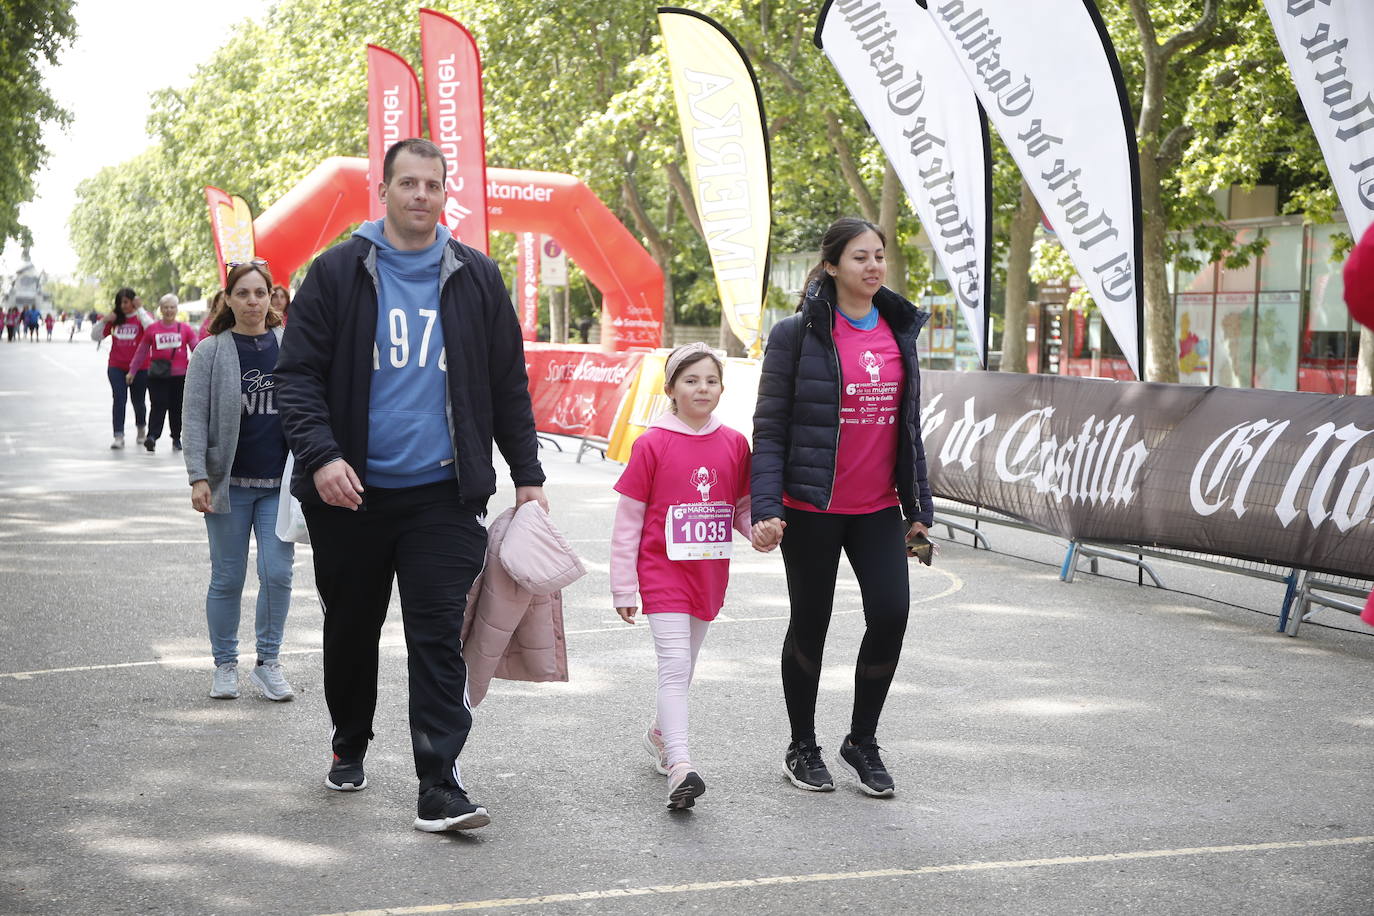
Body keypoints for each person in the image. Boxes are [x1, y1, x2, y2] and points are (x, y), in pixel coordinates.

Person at [276, 137, 546, 834]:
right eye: (409, 184)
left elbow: (507, 386)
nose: (421, 196)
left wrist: (528, 477)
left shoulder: (476, 278)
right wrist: (324, 456)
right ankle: (350, 738)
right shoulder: (337, 273)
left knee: (435, 634)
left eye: (433, 184)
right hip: (350, 495)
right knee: (352, 627)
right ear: (384, 189)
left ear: (443, 192)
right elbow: (296, 378)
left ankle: (439, 784)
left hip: (442, 496)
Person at [750, 217, 934, 799]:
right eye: (860, 257)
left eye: (879, 255)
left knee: (891, 614)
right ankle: (802, 746)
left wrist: (918, 506)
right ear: (832, 265)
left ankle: (863, 741)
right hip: (811, 508)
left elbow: (908, 430)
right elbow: (770, 427)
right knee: (812, 623)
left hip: (878, 507)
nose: (874, 266)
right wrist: (766, 504)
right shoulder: (794, 335)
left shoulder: (898, 331)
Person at [611, 343, 751, 811]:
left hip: (709, 574)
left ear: (722, 388)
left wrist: (762, 531)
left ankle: (658, 734)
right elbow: (628, 519)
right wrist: (622, 584)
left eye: (710, 380)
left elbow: (742, 508)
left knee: (685, 666)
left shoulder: (735, 443)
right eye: (691, 380)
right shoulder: (651, 443)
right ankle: (681, 765)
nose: (702, 388)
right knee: (673, 666)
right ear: (670, 388)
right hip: (661, 573)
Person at [182, 262, 295, 702]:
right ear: (228, 299)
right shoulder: (211, 351)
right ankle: (225, 663)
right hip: (228, 487)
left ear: (272, 298)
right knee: (227, 578)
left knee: (278, 574)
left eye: (260, 293)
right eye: (243, 293)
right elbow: (193, 419)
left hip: (277, 487)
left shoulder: (289, 345)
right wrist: (197, 477)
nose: (252, 301)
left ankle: (268, 663)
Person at [129, 294, 198, 451]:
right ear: (161, 309)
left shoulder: (185, 329)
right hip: (157, 376)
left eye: (172, 307)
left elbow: (197, 348)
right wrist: (132, 371)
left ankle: (176, 437)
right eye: (165, 307)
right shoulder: (153, 329)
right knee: (158, 405)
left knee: (177, 407)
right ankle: (152, 436)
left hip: (180, 377)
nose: (169, 310)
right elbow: (141, 352)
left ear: (176, 309)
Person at [92, 288, 154, 449]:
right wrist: (104, 320)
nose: (123, 305)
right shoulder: (115, 319)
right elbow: (95, 336)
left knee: (138, 401)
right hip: (116, 366)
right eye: (120, 303)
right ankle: (118, 435)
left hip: (140, 367)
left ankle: (141, 427)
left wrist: (140, 309)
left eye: (126, 302)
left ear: (133, 301)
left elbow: (153, 331)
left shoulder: (141, 317)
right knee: (119, 399)